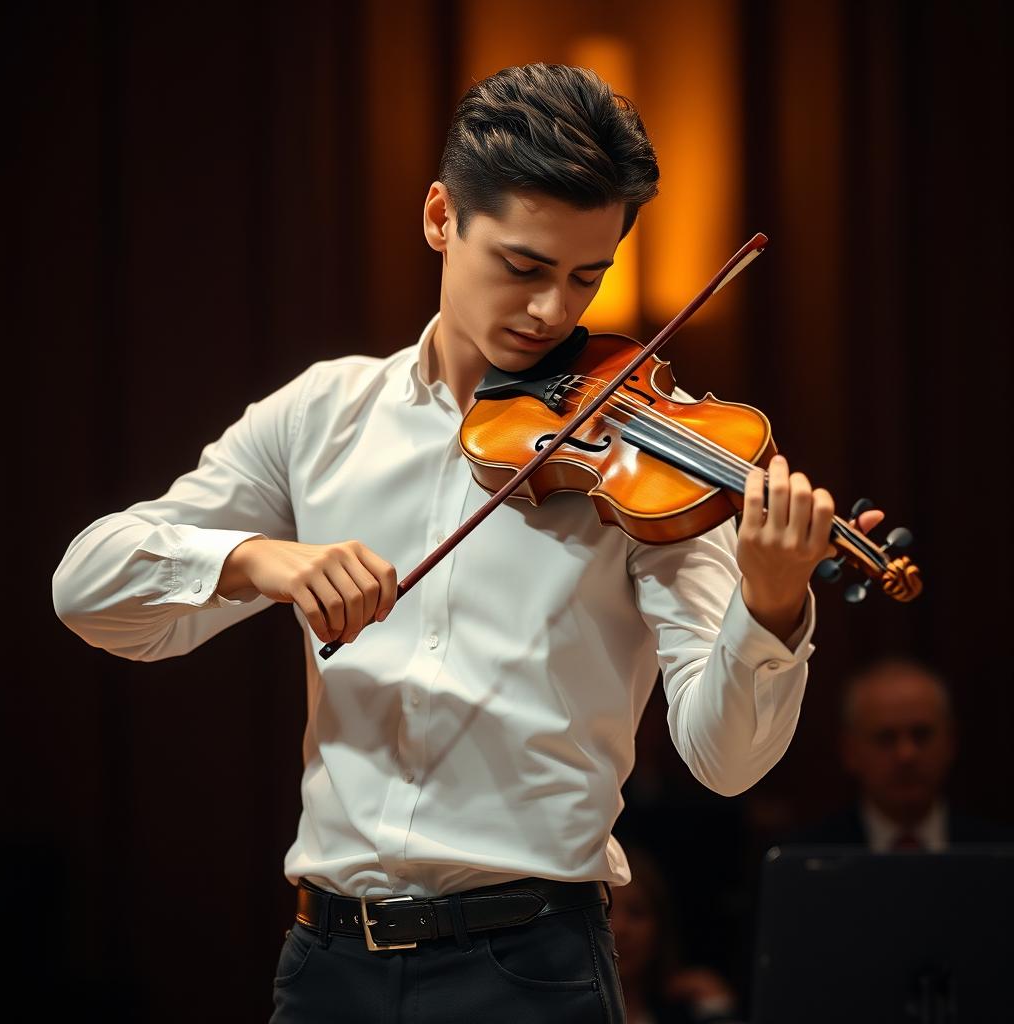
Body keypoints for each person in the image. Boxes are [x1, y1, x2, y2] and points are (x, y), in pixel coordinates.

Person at [52, 63, 877, 1023]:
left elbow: (723, 760)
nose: (552, 314)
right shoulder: (322, 414)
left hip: (536, 970)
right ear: (443, 217)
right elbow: (90, 590)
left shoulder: (654, 456)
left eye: (586, 278)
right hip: (327, 966)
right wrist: (263, 564)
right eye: (524, 268)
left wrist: (770, 602)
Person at [784, 656, 1014, 850]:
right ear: (850, 752)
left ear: (950, 742)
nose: (907, 754)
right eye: (885, 738)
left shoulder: (998, 853)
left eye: (921, 735)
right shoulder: (809, 857)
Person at [611, 844, 744, 1024]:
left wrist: (716, 1008)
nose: (620, 928)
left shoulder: (690, 1011)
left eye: (636, 913)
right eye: (605, 913)